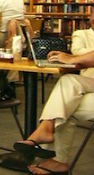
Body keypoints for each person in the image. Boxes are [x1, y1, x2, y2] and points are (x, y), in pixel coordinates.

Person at [13, 14, 94, 175]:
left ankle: (53, 148)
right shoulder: (82, 34)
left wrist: (71, 58)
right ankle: (47, 131)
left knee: (66, 106)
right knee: (69, 84)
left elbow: (83, 56)